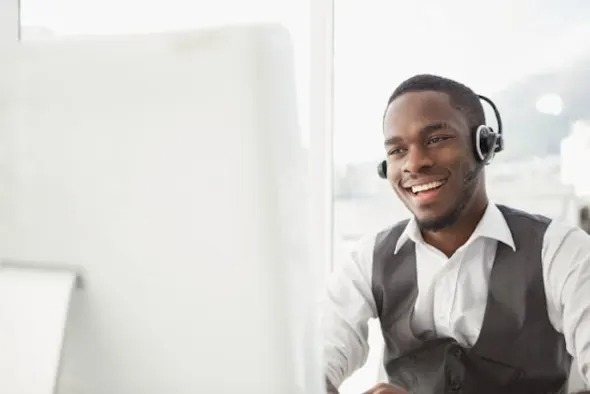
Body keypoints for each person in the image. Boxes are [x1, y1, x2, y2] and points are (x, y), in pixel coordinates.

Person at [322, 74, 590, 394]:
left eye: (436, 139)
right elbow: (310, 365)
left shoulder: (562, 251)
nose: (415, 163)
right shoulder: (367, 260)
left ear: (484, 145)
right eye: (397, 150)